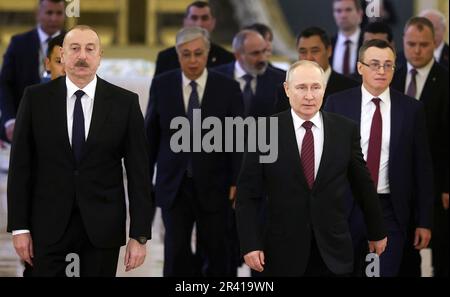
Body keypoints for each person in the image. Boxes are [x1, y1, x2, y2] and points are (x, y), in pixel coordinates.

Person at [7, 25, 153, 277]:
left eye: (89, 49)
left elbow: (139, 173)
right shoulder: (35, 99)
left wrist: (139, 235)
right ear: (62, 55)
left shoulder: (125, 103)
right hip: (47, 227)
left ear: (100, 55)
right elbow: (21, 167)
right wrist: (20, 228)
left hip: (102, 229)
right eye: (74, 48)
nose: (82, 56)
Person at [235, 60, 387, 277]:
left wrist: (377, 231)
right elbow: (247, 195)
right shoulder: (263, 131)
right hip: (279, 252)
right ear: (287, 89)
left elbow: (363, 186)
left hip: (333, 251)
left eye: (315, 87)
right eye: (301, 87)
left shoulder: (345, 130)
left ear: (324, 88)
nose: (309, 95)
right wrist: (250, 244)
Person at [325, 39, 434, 277]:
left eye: (388, 65)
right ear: (360, 67)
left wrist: (425, 220)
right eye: (374, 64)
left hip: (389, 210)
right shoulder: (336, 104)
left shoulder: (411, 109)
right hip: (346, 207)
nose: (381, 71)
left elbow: (422, 168)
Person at [145, 27, 243, 276]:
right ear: (178, 55)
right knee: (175, 252)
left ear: (208, 54)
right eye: (186, 54)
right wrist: (144, 182)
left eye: (198, 53)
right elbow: (151, 138)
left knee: (216, 252)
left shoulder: (228, 88)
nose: (192, 60)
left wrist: (236, 180)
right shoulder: (161, 85)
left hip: (216, 184)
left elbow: (238, 139)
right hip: (174, 186)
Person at [213, 29, 285, 276]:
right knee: (220, 253)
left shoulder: (281, 81)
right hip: (221, 181)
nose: (262, 57)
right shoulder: (214, 79)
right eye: (255, 53)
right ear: (238, 54)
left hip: (265, 182)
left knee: (261, 253)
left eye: (265, 51)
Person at [391, 17, 449, 277]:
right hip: (397, 184)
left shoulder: (446, 80)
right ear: (402, 42)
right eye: (411, 43)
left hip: (436, 183)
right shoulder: (392, 77)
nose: (416, 50)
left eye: (423, 45)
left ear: (435, 43)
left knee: (442, 252)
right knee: (402, 253)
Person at [0, 0, 65, 142]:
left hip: (62, 125)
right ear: (38, 14)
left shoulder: (73, 44)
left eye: (59, 13)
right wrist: (10, 120)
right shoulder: (19, 43)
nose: (54, 18)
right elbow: (4, 83)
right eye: (49, 13)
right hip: (23, 122)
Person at [277, 26, 359, 111]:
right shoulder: (285, 90)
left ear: (329, 51)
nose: (308, 58)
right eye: (303, 52)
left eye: (315, 51)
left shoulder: (350, 88)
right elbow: (276, 121)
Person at [153, 1, 234, 76]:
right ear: (185, 22)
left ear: (213, 23)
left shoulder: (226, 59)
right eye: (194, 18)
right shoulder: (166, 58)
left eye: (204, 18)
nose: (199, 24)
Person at [330, 0, 364, 76]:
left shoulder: (368, 43)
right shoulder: (328, 44)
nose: (343, 15)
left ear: (360, 13)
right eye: (338, 11)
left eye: (348, 10)